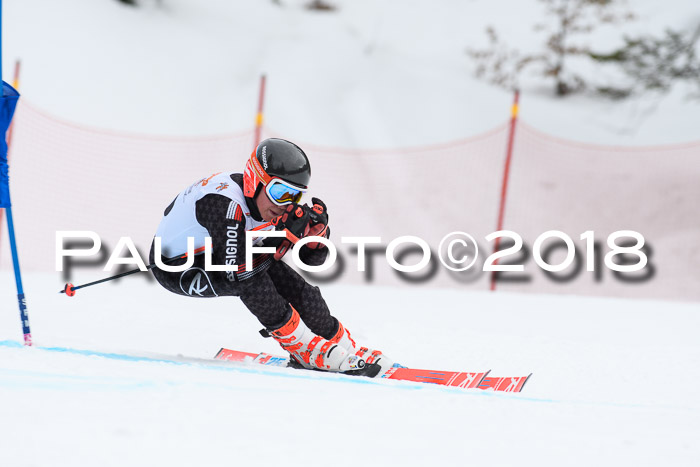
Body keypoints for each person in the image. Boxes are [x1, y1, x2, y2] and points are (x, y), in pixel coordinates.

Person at [149, 138, 392, 376]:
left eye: (294, 195)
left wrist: (314, 241)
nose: (286, 204)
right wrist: (282, 238)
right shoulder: (224, 204)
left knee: (298, 288)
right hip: (178, 267)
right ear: (255, 181)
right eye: (280, 192)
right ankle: (303, 348)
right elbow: (237, 272)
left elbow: (311, 262)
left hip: (220, 252)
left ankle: (342, 344)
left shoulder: (268, 203)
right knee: (255, 281)